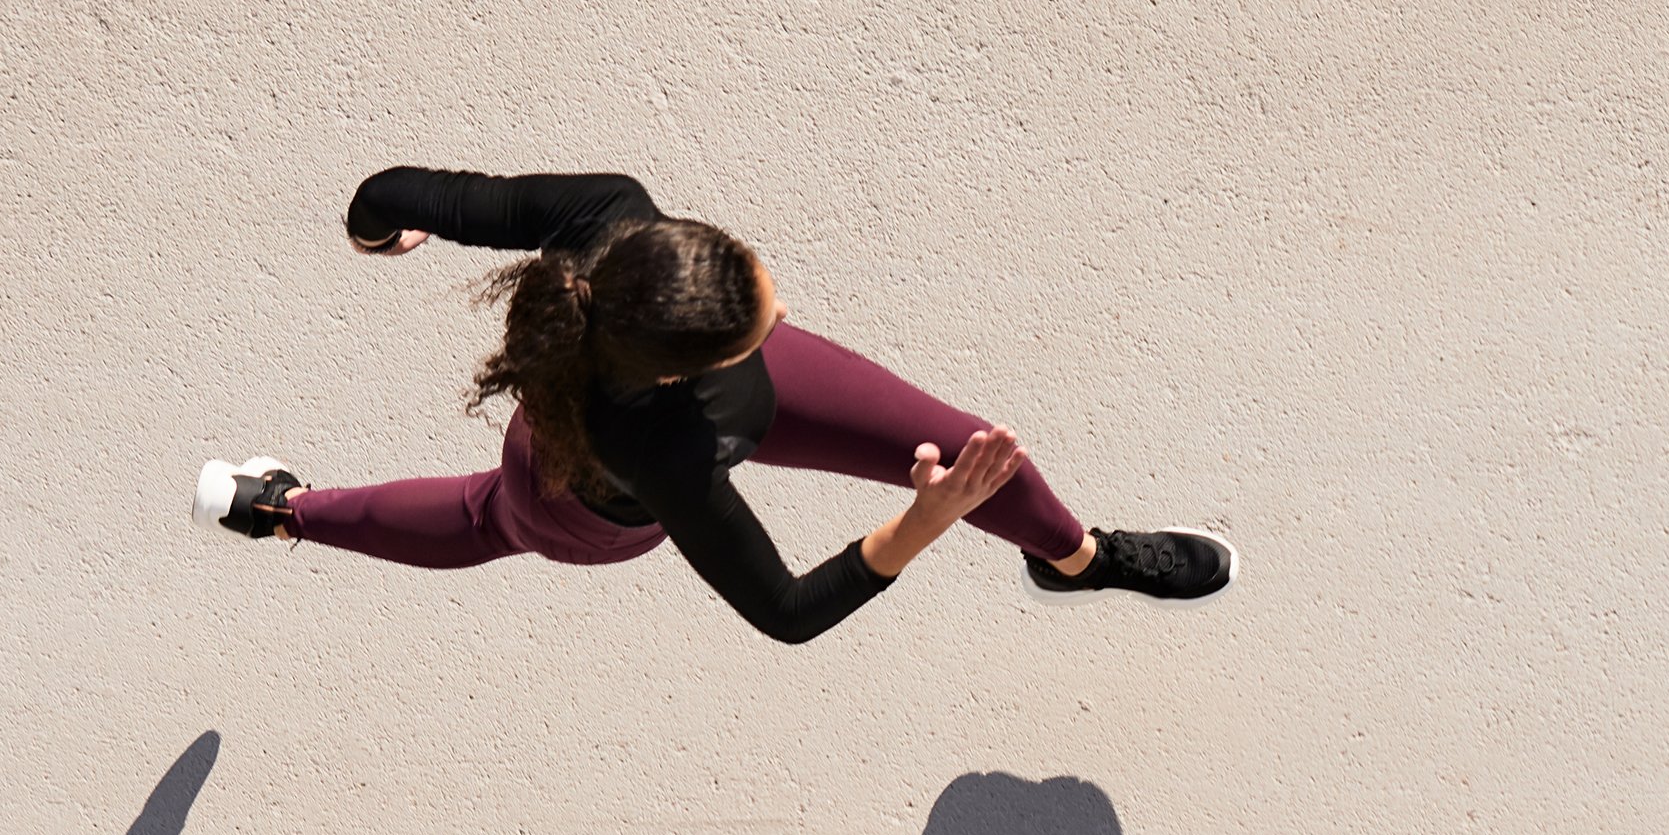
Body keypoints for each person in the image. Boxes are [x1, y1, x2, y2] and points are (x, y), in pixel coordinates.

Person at [193, 167, 1235, 641]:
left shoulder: (611, 211)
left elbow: (392, 191)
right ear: (686, 371)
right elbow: (783, 614)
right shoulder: (660, 454)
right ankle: (284, 509)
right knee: (487, 518)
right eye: (758, 308)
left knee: (973, 446)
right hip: (577, 495)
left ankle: (1078, 563)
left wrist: (378, 233)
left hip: (682, 397)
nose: (775, 286)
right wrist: (924, 522)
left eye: (749, 271)